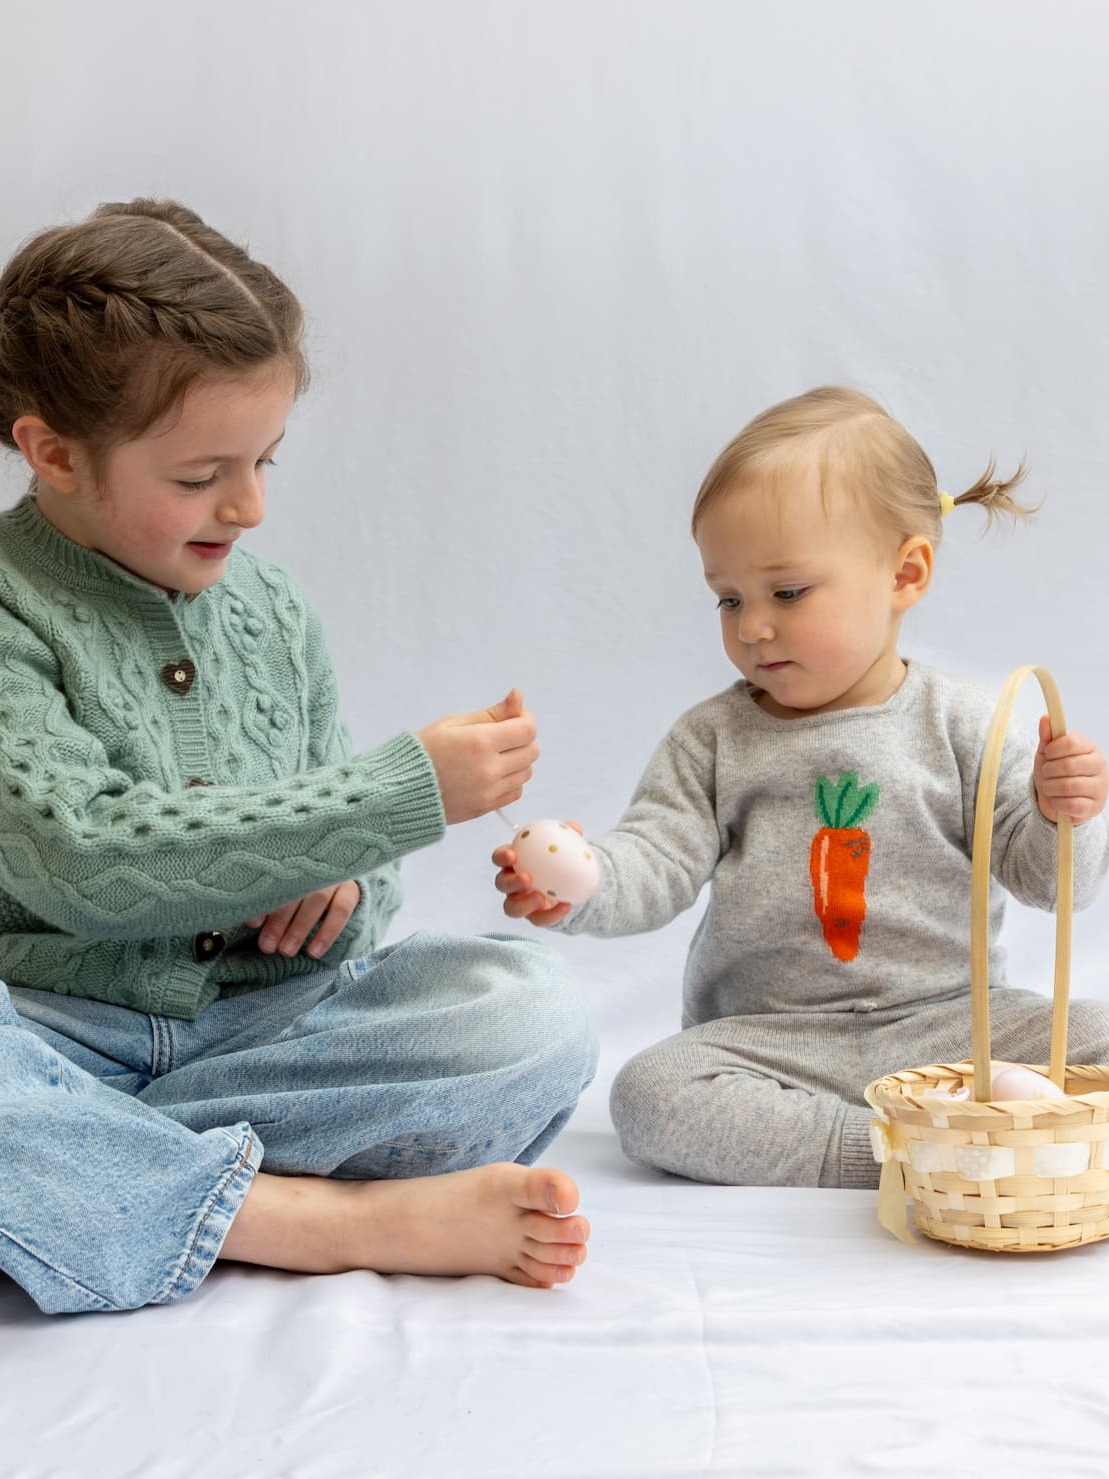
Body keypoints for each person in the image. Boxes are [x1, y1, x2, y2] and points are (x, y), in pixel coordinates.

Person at [0, 198, 596, 1316]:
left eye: (265, 459)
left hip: (262, 1034)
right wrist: (393, 794)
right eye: (199, 475)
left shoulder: (268, 611)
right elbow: (78, 861)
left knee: (533, 1013)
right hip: (49, 1025)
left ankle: (95, 1178)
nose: (251, 505)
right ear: (54, 452)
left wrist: (346, 874)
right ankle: (308, 1216)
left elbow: (352, 888)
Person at [494, 386, 1109, 1189]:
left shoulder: (966, 723)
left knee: (1092, 1032)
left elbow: (1048, 882)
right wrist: (583, 881)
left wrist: (1063, 812)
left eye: (786, 593)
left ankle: (968, 1111)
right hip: (771, 1042)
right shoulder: (712, 738)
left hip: (958, 1026)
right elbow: (657, 860)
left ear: (905, 572)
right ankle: (900, 1148)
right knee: (648, 1096)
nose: (751, 626)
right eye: (728, 597)